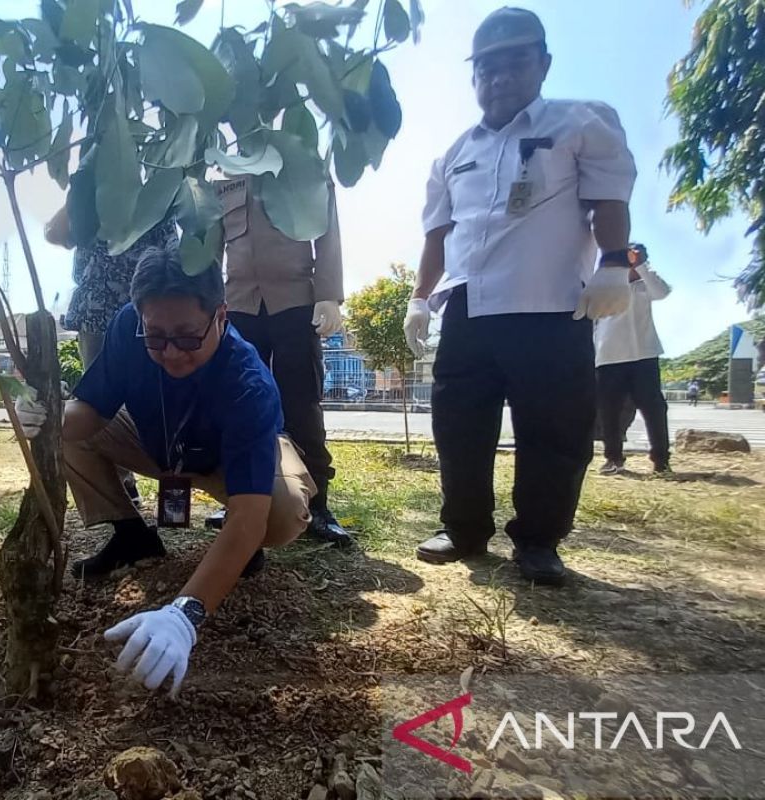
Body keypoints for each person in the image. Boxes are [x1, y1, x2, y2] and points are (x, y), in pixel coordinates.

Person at [15, 247, 316, 695]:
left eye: (187, 336)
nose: (171, 353)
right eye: (155, 337)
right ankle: (132, 537)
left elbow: (250, 514)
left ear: (221, 316)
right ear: (139, 319)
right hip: (156, 444)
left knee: (282, 513)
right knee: (65, 433)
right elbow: (92, 412)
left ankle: (237, 552)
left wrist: (185, 615)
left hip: (228, 464)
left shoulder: (248, 383)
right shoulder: (127, 330)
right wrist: (48, 415)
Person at [403, 7, 636, 586]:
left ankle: (537, 540)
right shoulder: (456, 151)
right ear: (473, 75)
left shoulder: (581, 122)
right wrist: (418, 297)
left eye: (515, 62)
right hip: (468, 311)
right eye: (486, 67)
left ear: (543, 64)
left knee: (554, 432)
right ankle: (463, 528)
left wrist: (611, 263)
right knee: (459, 427)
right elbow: (438, 232)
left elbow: (608, 197)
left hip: (550, 308)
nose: (499, 76)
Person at [209, 175, 351, 546]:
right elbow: (210, 246)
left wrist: (329, 294)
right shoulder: (223, 177)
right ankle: (236, 500)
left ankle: (317, 506)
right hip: (237, 304)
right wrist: (206, 302)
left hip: (296, 302)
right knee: (238, 407)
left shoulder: (303, 167)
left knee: (301, 405)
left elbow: (326, 232)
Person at [44, 198, 178, 505]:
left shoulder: (159, 183)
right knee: (97, 403)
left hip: (150, 313)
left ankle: (176, 480)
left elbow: (173, 248)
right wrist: (79, 193)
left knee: (166, 395)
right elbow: (56, 235)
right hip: (97, 313)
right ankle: (122, 494)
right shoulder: (88, 191)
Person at [594, 243, 672, 475]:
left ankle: (661, 460)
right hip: (609, 357)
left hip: (644, 355)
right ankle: (614, 458)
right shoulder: (605, 283)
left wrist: (641, 267)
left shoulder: (646, 284)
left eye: (637, 258)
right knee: (610, 411)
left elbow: (662, 292)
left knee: (654, 409)